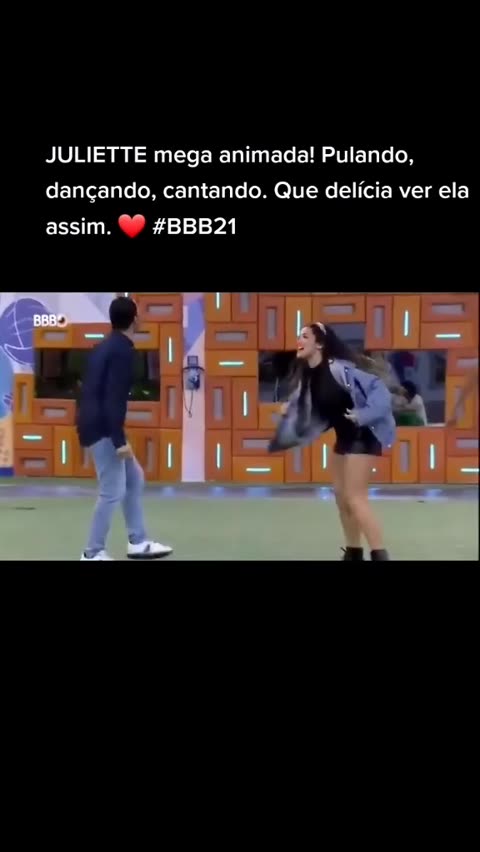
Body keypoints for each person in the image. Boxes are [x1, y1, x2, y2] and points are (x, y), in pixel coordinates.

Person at [269, 323, 396, 561]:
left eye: (305, 336)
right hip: (344, 436)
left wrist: (363, 415)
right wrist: (291, 410)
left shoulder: (340, 369)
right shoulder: (309, 377)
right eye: (298, 336)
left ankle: (380, 555)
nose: (299, 340)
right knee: (341, 497)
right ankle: (353, 552)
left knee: (355, 498)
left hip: (364, 434)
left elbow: (379, 390)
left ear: (319, 343)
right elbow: (315, 409)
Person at [76, 296, 172, 561]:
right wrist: (118, 440)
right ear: (134, 319)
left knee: (133, 478)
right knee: (112, 490)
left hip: (96, 423)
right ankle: (92, 552)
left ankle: (138, 541)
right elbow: (113, 397)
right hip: (104, 428)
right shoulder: (122, 351)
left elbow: (91, 391)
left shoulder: (105, 346)